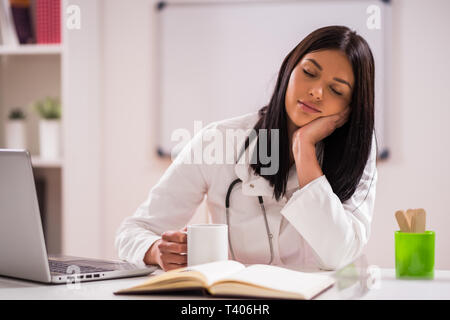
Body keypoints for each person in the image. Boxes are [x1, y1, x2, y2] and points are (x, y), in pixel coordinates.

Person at [115, 25, 378, 272]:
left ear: (351, 107)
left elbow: (339, 254)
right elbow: (133, 231)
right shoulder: (218, 140)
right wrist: (155, 251)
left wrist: (304, 149)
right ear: (289, 69)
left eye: (336, 90)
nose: (317, 92)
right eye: (309, 73)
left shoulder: (356, 154)